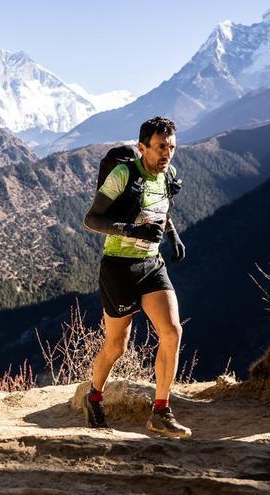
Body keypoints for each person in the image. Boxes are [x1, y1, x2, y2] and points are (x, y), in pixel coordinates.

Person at [82, 116, 190, 438]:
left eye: (171, 146)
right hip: (118, 267)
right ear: (143, 147)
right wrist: (131, 230)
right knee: (117, 345)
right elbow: (91, 219)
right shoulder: (123, 174)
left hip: (151, 265)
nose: (166, 154)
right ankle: (94, 395)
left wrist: (172, 235)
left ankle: (161, 411)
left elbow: (161, 208)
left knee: (172, 332)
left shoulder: (167, 174)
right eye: (159, 147)